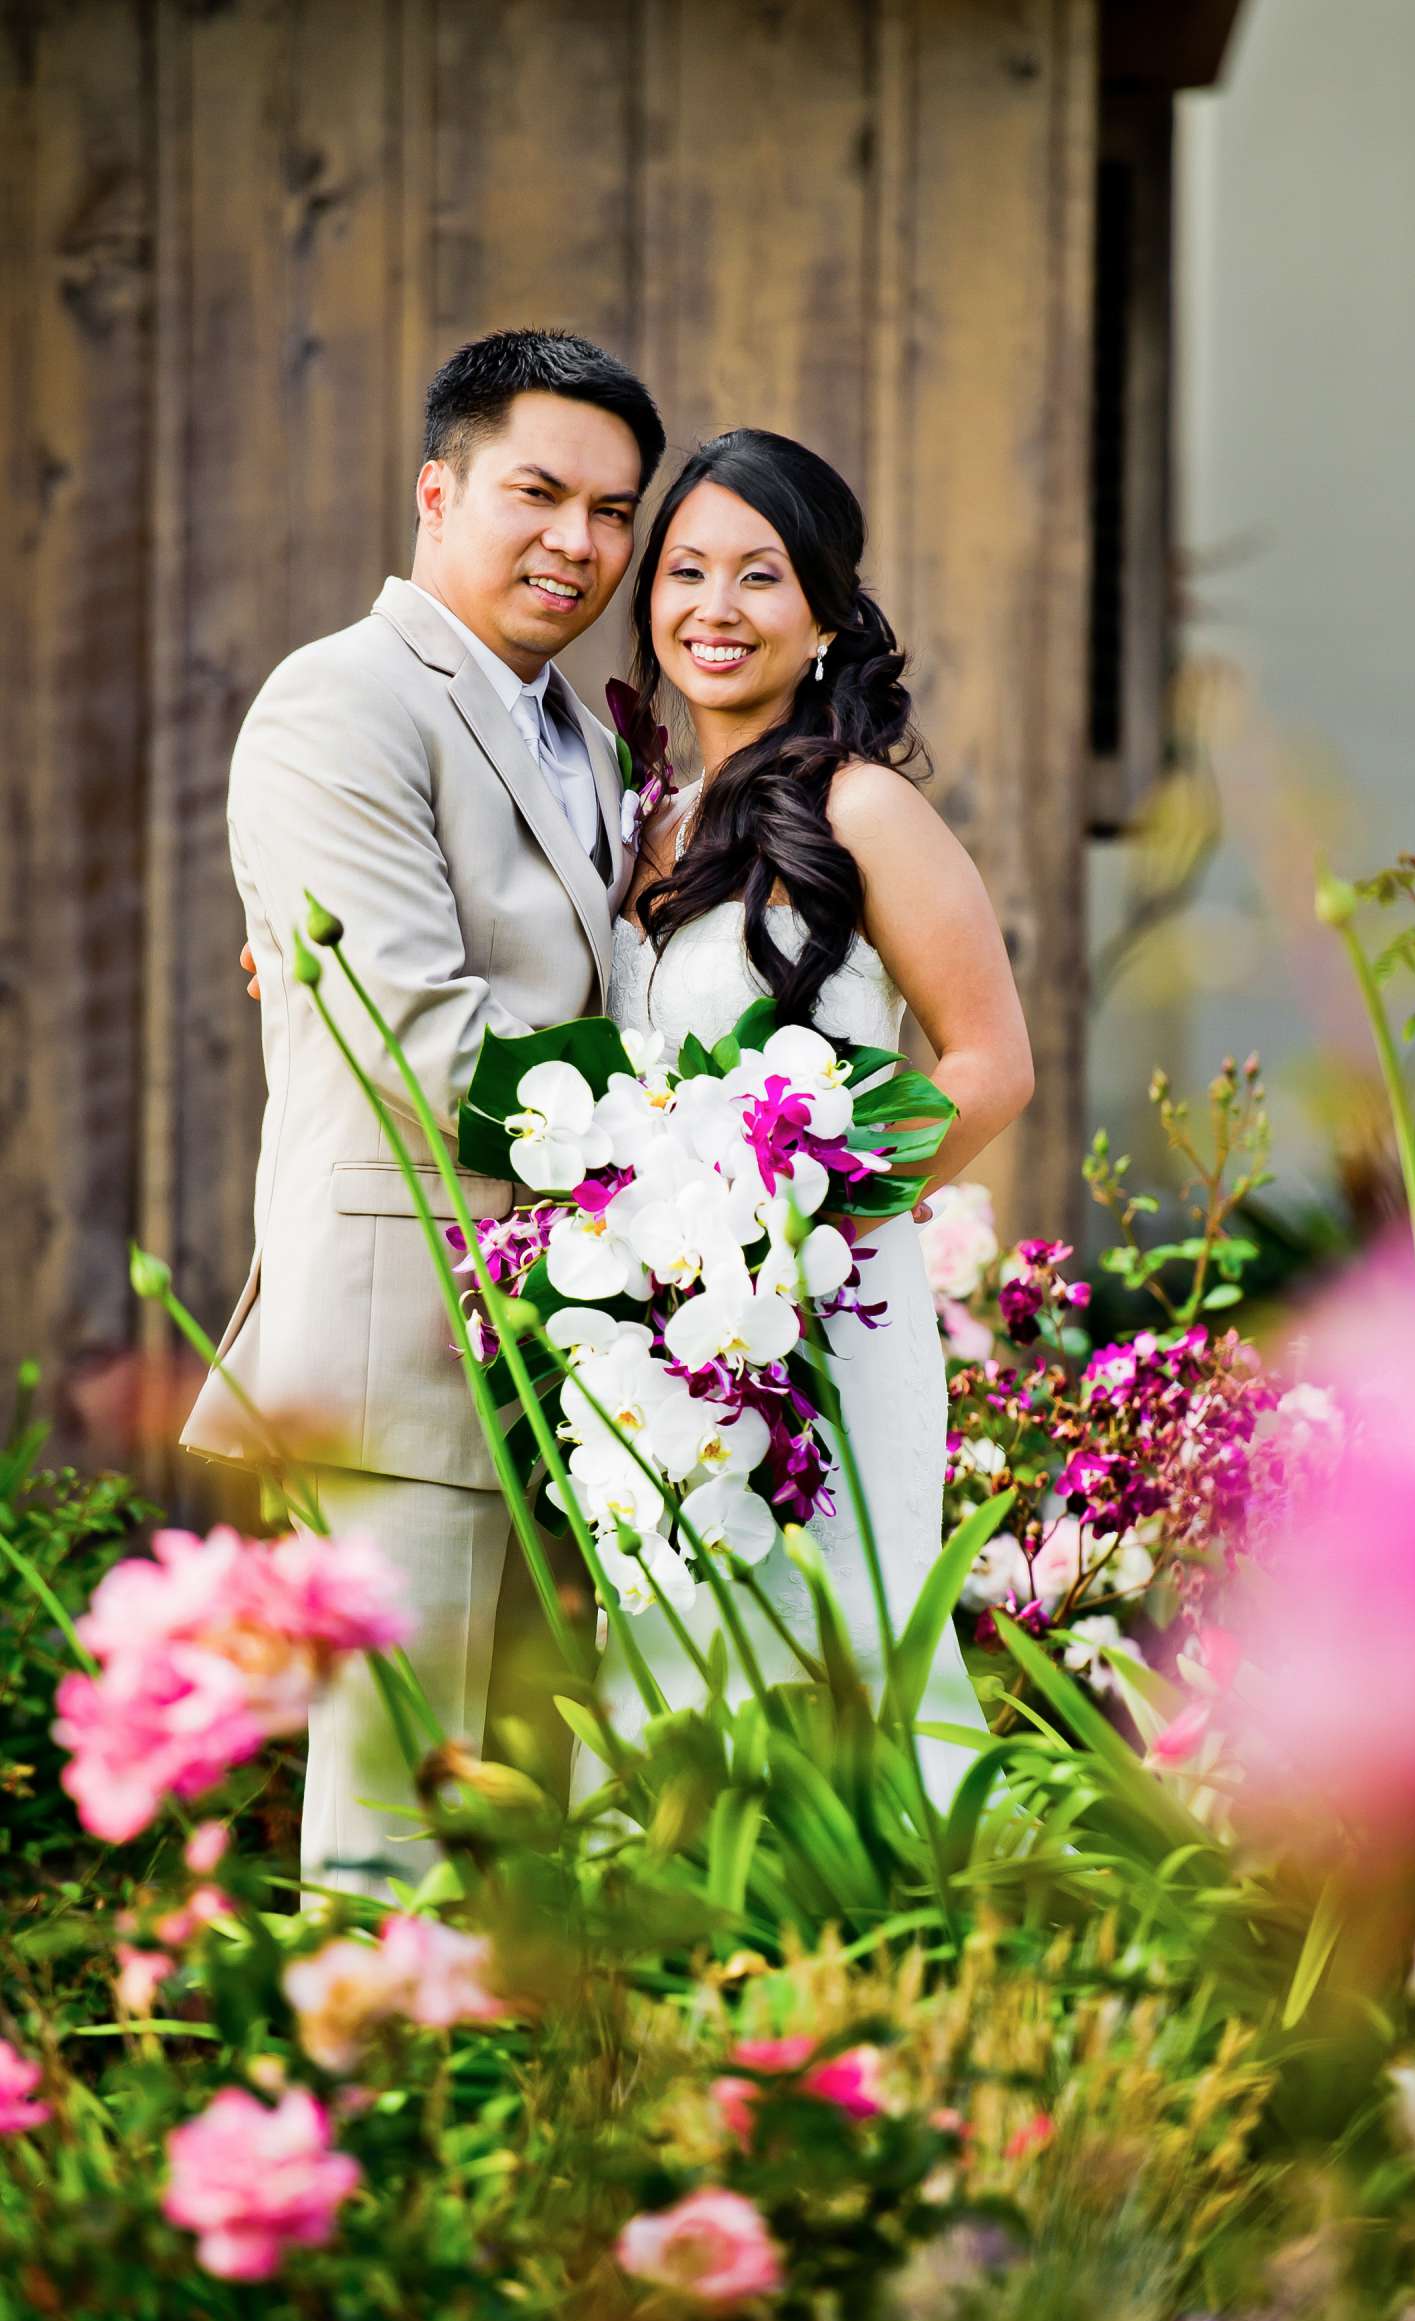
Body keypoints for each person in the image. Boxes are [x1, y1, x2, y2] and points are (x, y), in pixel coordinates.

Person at [184, 328, 666, 1900]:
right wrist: (710, 1130)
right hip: (412, 1341)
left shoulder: (583, 733)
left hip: (564, 1347)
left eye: (612, 512)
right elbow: (428, 1053)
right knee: (396, 1835)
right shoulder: (342, 703)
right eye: (539, 492)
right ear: (436, 490)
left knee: (530, 1838)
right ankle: (356, 2148)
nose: (580, 544)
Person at [599, 429, 1033, 1803]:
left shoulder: (863, 809)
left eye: (761, 576)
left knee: (846, 1637)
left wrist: (809, 1230)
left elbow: (988, 1063)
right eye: (684, 572)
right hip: (657, 1334)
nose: (714, 612)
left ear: (828, 613)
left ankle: (902, 1978)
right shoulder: (640, 821)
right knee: (675, 1648)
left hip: (829, 1318)